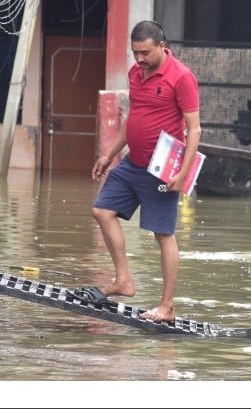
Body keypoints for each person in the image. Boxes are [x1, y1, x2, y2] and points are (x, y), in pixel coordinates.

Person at [90, 20, 201, 323]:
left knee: (163, 235)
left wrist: (183, 173)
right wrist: (108, 154)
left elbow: (194, 130)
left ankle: (166, 306)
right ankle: (124, 280)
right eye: (135, 52)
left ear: (162, 47)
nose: (139, 59)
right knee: (102, 211)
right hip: (131, 163)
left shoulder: (182, 77)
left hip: (162, 169)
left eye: (145, 53)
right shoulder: (135, 73)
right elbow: (133, 118)